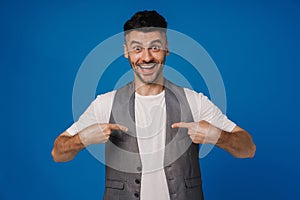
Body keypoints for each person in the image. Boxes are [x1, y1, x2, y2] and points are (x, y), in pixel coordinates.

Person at [51, 10, 256, 200]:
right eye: (137, 49)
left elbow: (248, 148)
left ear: (166, 49)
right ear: (126, 52)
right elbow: (58, 154)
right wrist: (83, 139)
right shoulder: (105, 104)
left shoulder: (195, 101)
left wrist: (217, 136)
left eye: (155, 47)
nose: (146, 57)